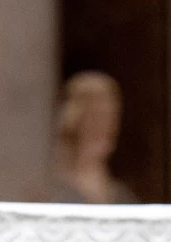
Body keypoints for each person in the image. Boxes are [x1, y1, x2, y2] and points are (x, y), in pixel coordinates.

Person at [45, 71, 138, 205]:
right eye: (96, 118)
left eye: (111, 118)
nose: (106, 128)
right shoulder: (53, 190)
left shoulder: (121, 195)